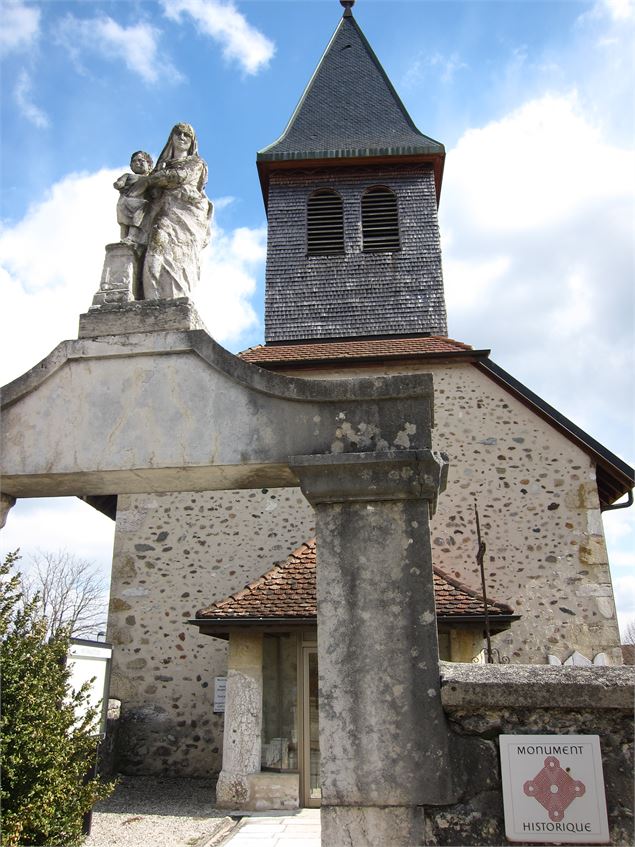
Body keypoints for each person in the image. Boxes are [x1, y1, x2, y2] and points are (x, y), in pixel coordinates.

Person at [140, 123, 213, 300]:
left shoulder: (196, 163)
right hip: (164, 212)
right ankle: (153, 298)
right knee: (156, 248)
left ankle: (177, 296)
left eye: (186, 135)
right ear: (171, 138)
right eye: (178, 133)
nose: (182, 137)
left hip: (188, 214)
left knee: (182, 256)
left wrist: (152, 179)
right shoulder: (161, 167)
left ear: (191, 141)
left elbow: (178, 177)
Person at [113, 151, 153, 244]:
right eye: (134, 161)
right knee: (123, 221)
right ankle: (123, 237)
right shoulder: (127, 176)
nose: (137, 163)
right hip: (125, 200)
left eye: (140, 160)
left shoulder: (150, 178)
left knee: (139, 211)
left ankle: (132, 236)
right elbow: (120, 183)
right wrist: (118, 185)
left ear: (149, 165)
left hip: (139, 202)